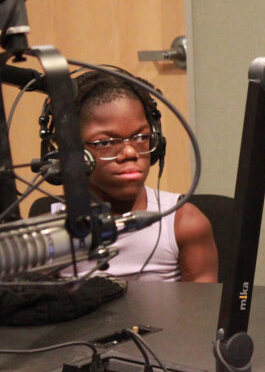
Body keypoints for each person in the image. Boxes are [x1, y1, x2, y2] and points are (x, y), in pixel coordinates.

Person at [59, 70, 218, 282]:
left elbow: (203, 312)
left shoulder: (184, 222)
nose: (130, 153)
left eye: (141, 137)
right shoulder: (48, 236)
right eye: (105, 142)